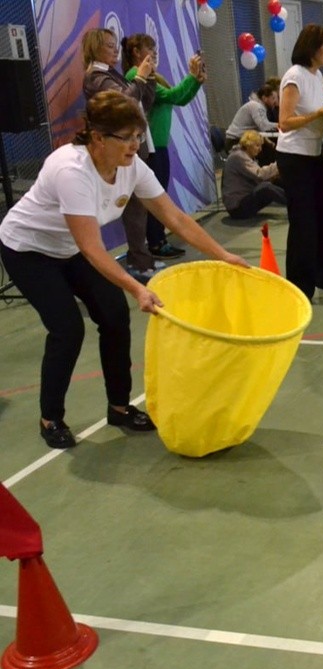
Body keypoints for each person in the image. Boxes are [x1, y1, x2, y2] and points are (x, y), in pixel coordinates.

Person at [0, 91, 247, 449]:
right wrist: (137, 287)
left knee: (114, 315)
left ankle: (119, 407)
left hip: (71, 248)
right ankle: (50, 417)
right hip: (28, 250)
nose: (135, 145)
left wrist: (223, 255)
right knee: (67, 328)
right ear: (98, 137)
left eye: (137, 136)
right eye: (127, 137)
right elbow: (91, 247)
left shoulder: (131, 167)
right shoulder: (71, 170)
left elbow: (173, 216)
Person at [276, 23, 323, 298]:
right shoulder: (294, 76)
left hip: (313, 154)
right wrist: (318, 115)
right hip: (294, 158)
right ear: (312, 46)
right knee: (303, 222)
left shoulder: (318, 76)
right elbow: (284, 122)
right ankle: (299, 287)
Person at [82, 28, 157, 283]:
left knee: (139, 206)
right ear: (95, 47)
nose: (115, 50)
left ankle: (140, 258)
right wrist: (141, 78)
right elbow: (124, 103)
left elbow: (141, 104)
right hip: (116, 150)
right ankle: (138, 262)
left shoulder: (110, 73)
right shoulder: (96, 76)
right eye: (109, 45)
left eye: (116, 45)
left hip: (128, 146)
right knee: (133, 208)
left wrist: (149, 78)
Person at [121, 34, 205, 261]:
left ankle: (158, 240)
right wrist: (191, 77)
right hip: (152, 146)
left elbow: (178, 98)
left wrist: (195, 80)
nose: (155, 51)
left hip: (159, 144)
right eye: (150, 47)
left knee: (158, 194)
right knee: (155, 198)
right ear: (137, 52)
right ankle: (156, 242)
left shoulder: (151, 76)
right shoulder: (135, 75)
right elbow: (172, 95)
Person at [221, 130, 287, 219]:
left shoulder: (242, 155)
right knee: (266, 188)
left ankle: (296, 200)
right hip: (237, 207)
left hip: (241, 201)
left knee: (273, 181)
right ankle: (296, 203)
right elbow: (259, 174)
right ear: (249, 144)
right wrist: (280, 163)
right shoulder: (238, 157)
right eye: (257, 145)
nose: (260, 149)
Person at [225, 85, 279, 149]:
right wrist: (280, 125)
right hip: (235, 141)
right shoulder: (256, 106)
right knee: (267, 151)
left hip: (240, 139)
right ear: (264, 98)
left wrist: (269, 142)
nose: (275, 102)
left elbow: (258, 130)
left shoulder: (258, 106)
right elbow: (264, 127)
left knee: (270, 148)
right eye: (272, 98)